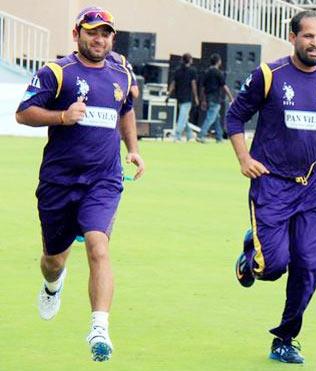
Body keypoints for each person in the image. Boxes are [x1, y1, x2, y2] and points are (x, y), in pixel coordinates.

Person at [226, 10, 316, 363]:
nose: (315, 43)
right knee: (272, 267)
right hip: (271, 184)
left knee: (310, 264)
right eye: (308, 36)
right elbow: (235, 115)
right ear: (293, 38)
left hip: (313, 187)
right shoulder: (270, 76)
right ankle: (251, 255)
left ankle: (286, 338)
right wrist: (244, 158)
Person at [15, 6, 145, 362]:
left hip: (103, 180)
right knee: (53, 260)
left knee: (98, 246)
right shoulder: (57, 72)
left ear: (112, 38)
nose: (99, 39)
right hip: (58, 182)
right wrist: (61, 116)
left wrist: (133, 149)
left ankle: (99, 327)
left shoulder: (121, 71)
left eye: (105, 33)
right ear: (77, 34)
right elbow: (23, 112)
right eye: (92, 32)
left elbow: (126, 110)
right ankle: (52, 285)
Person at [198, 53, 233, 143]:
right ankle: (201, 135)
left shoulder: (207, 72)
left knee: (216, 117)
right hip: (215, 98)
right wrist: (231, 97)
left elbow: (202, 87)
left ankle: (219, 137)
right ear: (218, 62)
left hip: (208, 97)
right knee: (210, 118)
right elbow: (224, 86)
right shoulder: (218, 73)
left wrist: (203, 100)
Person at [167, 53, 198, 142]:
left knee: (184, 117)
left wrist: (168, 94)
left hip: (179, 96)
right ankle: (177, 136)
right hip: (188, 97)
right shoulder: (192, 71)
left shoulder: (178, 71)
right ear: (190, 60)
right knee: (182, 117)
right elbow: (193, 85)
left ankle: (189, 134)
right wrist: (196, 97)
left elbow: (173, 84)